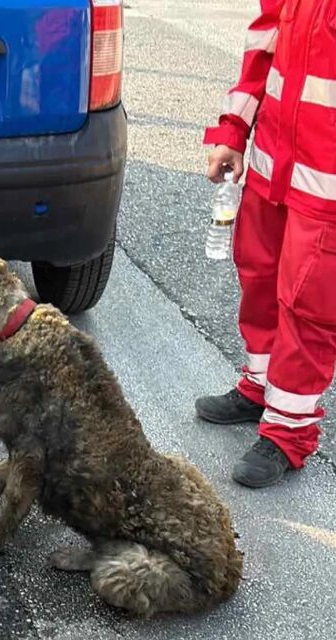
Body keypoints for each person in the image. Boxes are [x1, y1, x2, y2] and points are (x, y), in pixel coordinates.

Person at [198, 1, 336, 488]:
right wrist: (234, 131)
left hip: (327, 182)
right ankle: (260, 386)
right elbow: (264, 43)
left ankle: (289, 431)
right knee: (258, 273)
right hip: (273, 162)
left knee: (309, 301)